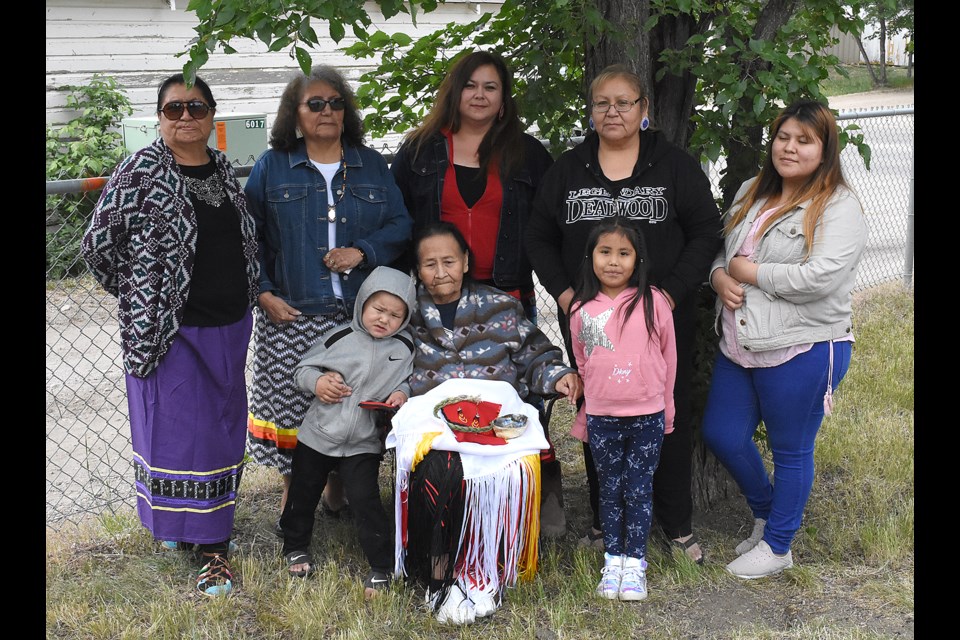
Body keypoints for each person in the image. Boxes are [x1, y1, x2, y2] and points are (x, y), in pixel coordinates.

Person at [525, 64, 722, 563]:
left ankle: (675, 524)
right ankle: (602, 518)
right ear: (590, 112)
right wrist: (568, 297)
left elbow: (705, 231)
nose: (612, 111)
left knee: (667, 416)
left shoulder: (673, 166)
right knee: (599, 415)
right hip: (593, 326)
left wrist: (673, 293)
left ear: (644, 110)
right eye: (601, 103)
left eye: (624, 102)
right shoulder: (568, 170)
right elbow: (538, 237)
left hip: (658, 321)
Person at [81, 73, 259, 596]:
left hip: (229, 327)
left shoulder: (225, 170)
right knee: (182, 436)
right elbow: (98, 247)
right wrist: (144, 295)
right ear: (159, 117)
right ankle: (209, 549)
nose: (186, 117)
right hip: (169, 333)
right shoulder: (140, 171)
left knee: (220, 433)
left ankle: (199, 531)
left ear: (212, 117)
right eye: (175, 108)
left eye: (197, 108)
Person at [386, 49, 567, 536]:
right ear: (455, 92)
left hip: (504, 290)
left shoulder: (527, 154)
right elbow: (396, 221)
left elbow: (552, 223)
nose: (480, 95)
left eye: (491, 87)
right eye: (471, 85)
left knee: (519, 397)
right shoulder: (420, 152)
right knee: (442, 391)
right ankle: (445, 494)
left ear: (504, 98)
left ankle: (540, 487)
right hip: (437, 292)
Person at [701, 99, 868, 579]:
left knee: (791, 448)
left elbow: (822, 277)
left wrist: (748, 272)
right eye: (783, 137)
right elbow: (722, 250)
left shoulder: (838, 205)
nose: (790, 148)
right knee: (722, 434)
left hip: (805, 345)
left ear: (825, 148)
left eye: (804, 140)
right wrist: (718, 277)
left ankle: (778, 547)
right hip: (740, 342)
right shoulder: (752, 190)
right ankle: (770, 512)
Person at [386, 222, 582, 625]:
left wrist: (557, 376)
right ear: (416, 270)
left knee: (496, 471)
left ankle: (482, 568)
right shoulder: (406, 316)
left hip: (497, 418)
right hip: (436, 421)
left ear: (466, 261)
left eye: (449, 261)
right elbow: (384, 366)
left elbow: (536, 356)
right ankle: (440, 570)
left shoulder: (499, 307)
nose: (440, 272)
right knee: (441, 468)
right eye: (429, 264)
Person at [244, 65, 413, 528]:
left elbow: (400, 224)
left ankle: (337, 497)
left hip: (358, 317)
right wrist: (262, 292)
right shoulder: (272, 165)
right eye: (314, 104)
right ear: (294, 115)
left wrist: (363, 252)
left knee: (348, 403)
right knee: (296, 408)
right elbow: (249, 236)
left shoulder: (371, 163)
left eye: (335, 102)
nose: (326, 111)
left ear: (346, 111)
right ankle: (292, 501)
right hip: (292, 311)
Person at [281, 266, 416, 599]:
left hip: (364, 443)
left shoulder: (405, 347)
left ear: (406, 318)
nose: (384, 319)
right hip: (318, 435)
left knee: (365, 500)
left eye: (395, 314)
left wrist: (402, 394)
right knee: (303, 492)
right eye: (378, 309)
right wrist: (318, 382)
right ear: (362, 304)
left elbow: (409, 380)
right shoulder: (339, 337)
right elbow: (302, 370)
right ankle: (295, 546)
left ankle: (381, 566)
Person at [568, 218, 677, 601]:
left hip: (647, 416)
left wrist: (667, 409)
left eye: (624, 253)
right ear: (591, 256)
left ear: (637, 259)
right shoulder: (581, 308)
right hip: (602, 418)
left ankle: (636, 564)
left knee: (639, 489)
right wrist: (589, 404)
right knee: (609, 490)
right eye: (605, 252)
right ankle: (612, 561)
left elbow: (670, 357)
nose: (613, 261)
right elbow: (583, 360)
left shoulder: (655, 301)